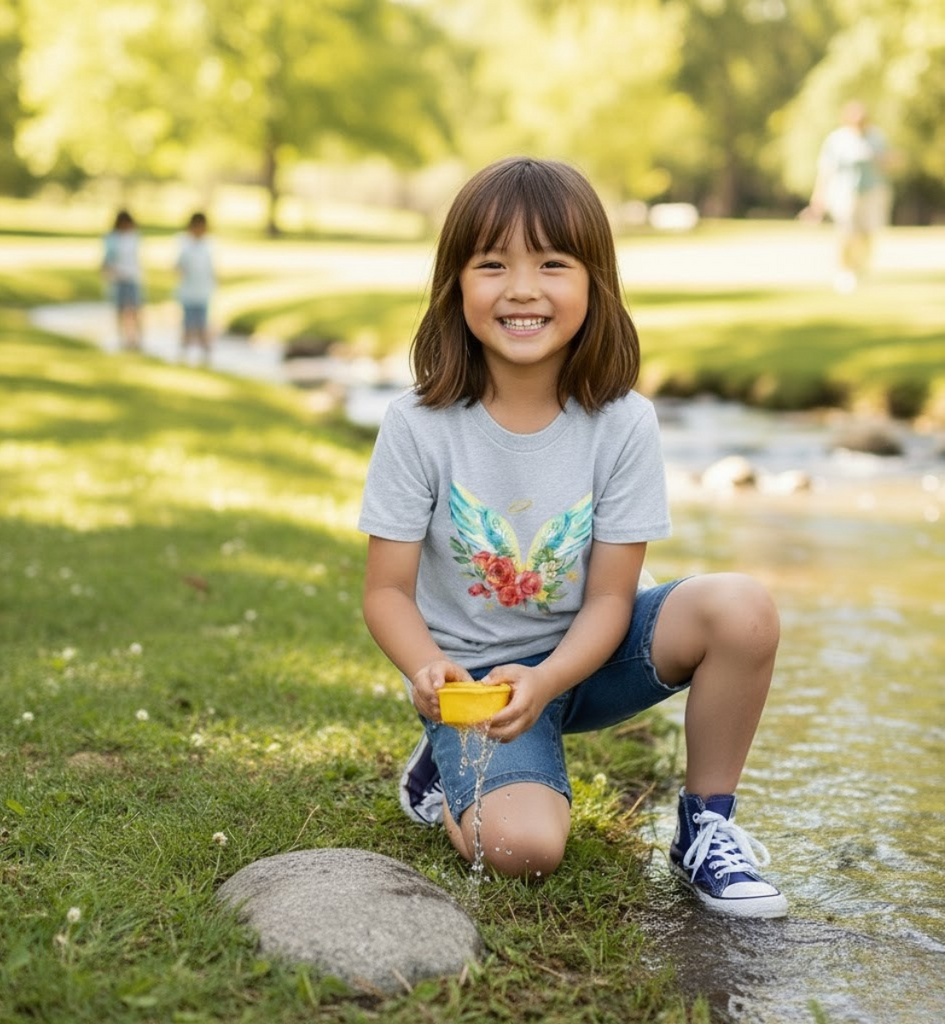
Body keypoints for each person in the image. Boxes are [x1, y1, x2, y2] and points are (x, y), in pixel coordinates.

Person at [358, 157, 788, 918]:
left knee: (743, 608)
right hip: (476, 687)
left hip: (589, 655)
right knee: (527, 851)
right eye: (493, 265)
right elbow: (387, 592)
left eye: (552, 264)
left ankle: (705, 827)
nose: (522, 289)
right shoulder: (416, 426)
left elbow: (611, 600)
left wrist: (551, 680)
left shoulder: (623, 422)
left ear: (595, 283)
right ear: (456, 285)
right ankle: (445, 763)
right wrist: (431, 672)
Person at [803, 100, 893, 294]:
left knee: (867, 233)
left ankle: (860, 268)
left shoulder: (876, 137)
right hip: (845, 192)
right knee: (847, 233)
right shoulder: (837, 139)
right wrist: (818, 198)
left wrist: (879, 158)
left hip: (873, 191)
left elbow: (890, 162)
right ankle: (845, 271)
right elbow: (826, 170)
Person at [175, 211, 216, 364]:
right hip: (188, 292)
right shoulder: (184, 243)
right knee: (187, 325)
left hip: (203, 292)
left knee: (203, 325)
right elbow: (177, 267)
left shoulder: (209, 244)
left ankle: (206, 357)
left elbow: (212, 268)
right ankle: (183, 356)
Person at [101, 209, 143, 350]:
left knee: (134, 310)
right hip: (118, 279)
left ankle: (137, 339)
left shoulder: (134, 237)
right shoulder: (112, 239)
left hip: (132, 278)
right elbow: (106, 260)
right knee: (120, 310)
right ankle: (122, 339)